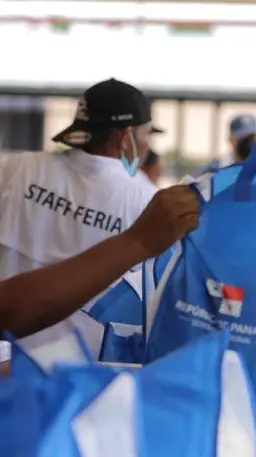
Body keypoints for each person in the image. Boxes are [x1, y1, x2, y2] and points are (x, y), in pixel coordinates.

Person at [0, 78, 161, 359]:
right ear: (125, 138)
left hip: (7, 362)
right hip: (81, 379)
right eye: (146, 134)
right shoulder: (146, 201)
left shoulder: (16, 170)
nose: (147, 145)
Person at [0, 185, 200, 374]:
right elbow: (7, 310)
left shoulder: (16, 170)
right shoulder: (143, 196)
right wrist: (136, 243)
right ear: (123, 145)